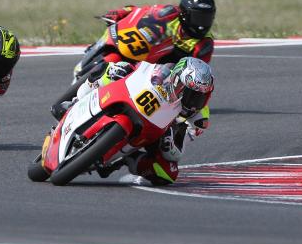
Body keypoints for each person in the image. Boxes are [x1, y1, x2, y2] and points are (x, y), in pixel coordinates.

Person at [58, 57, 214, 186]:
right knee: (113, 67)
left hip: (158, 132)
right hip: (139, 103)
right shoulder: (165, 72)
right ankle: (76, 101)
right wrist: (124, 69)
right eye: (190, 93)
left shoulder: (200, 118)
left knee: (168, 173)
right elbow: (142, 69)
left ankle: (129, 159)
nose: (194, 101)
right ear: (176, 80)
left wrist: (170, 144)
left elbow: (177, 153)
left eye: (200, 96)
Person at [100, 0, 216, 64]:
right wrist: (121, 12)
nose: (202, 24)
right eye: (198, 18)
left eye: (206, 18)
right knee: (112, 55)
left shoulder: (204, 44)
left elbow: (196, 70)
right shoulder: (170, 12)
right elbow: (143, 11)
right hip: (141, 51)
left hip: (160, 76)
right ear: (184, 14)